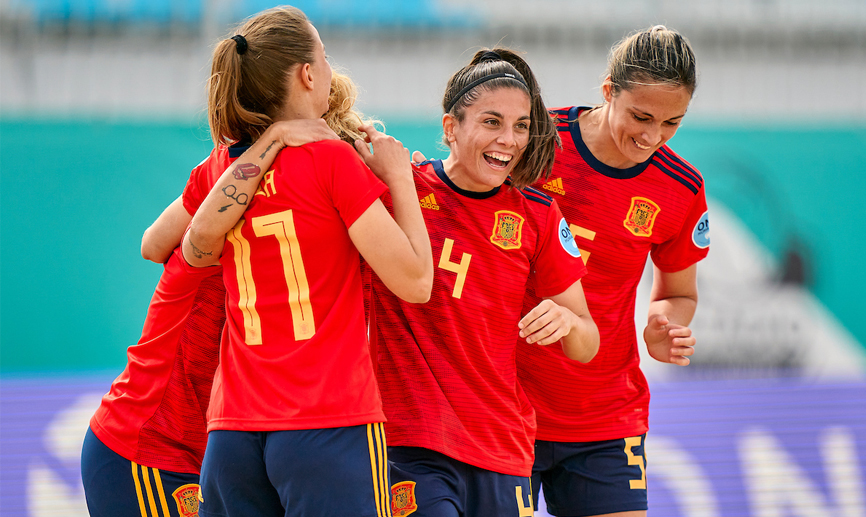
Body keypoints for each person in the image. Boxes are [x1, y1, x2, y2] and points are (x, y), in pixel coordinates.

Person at [81, 71, 382, 517]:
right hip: (150, 443)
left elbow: (152, 243)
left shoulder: (286, 218)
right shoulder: (227, 199)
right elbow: (152, 244)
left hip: (217, 443)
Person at [180, 6, 433, 517]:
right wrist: (399, 177)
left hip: (232, 433)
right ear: (308, 75)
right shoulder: (331, 158)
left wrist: (272, 139)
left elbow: (182, 248)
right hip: (327, 423)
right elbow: (415, 281)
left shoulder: (223, 168)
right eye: (325, 54)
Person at [371, 49, 599, 517]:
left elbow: (586, 343)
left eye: (521, 126)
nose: (508, 140)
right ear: (451, 128)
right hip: (410, 441)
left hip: (502, 446)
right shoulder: (400, 191)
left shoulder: (538, 214)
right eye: (492, 122)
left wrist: (567, 320)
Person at [516, 26, 710, 517]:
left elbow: (678, 294)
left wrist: (664, 323)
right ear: (608, 91)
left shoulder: (681, 188)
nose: (652, 136)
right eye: (641, 116)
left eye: (672, 122)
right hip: (504, 404)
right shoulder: (533, 139)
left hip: (604, 416)